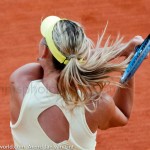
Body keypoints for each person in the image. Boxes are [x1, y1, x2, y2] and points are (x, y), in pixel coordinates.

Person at [9, 16, 145, 150]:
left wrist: (121, 49)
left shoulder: (21, 81)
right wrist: (129, 62)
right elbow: (123, 114)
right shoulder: (97, 104)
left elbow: (74, 61)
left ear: (44, 51)